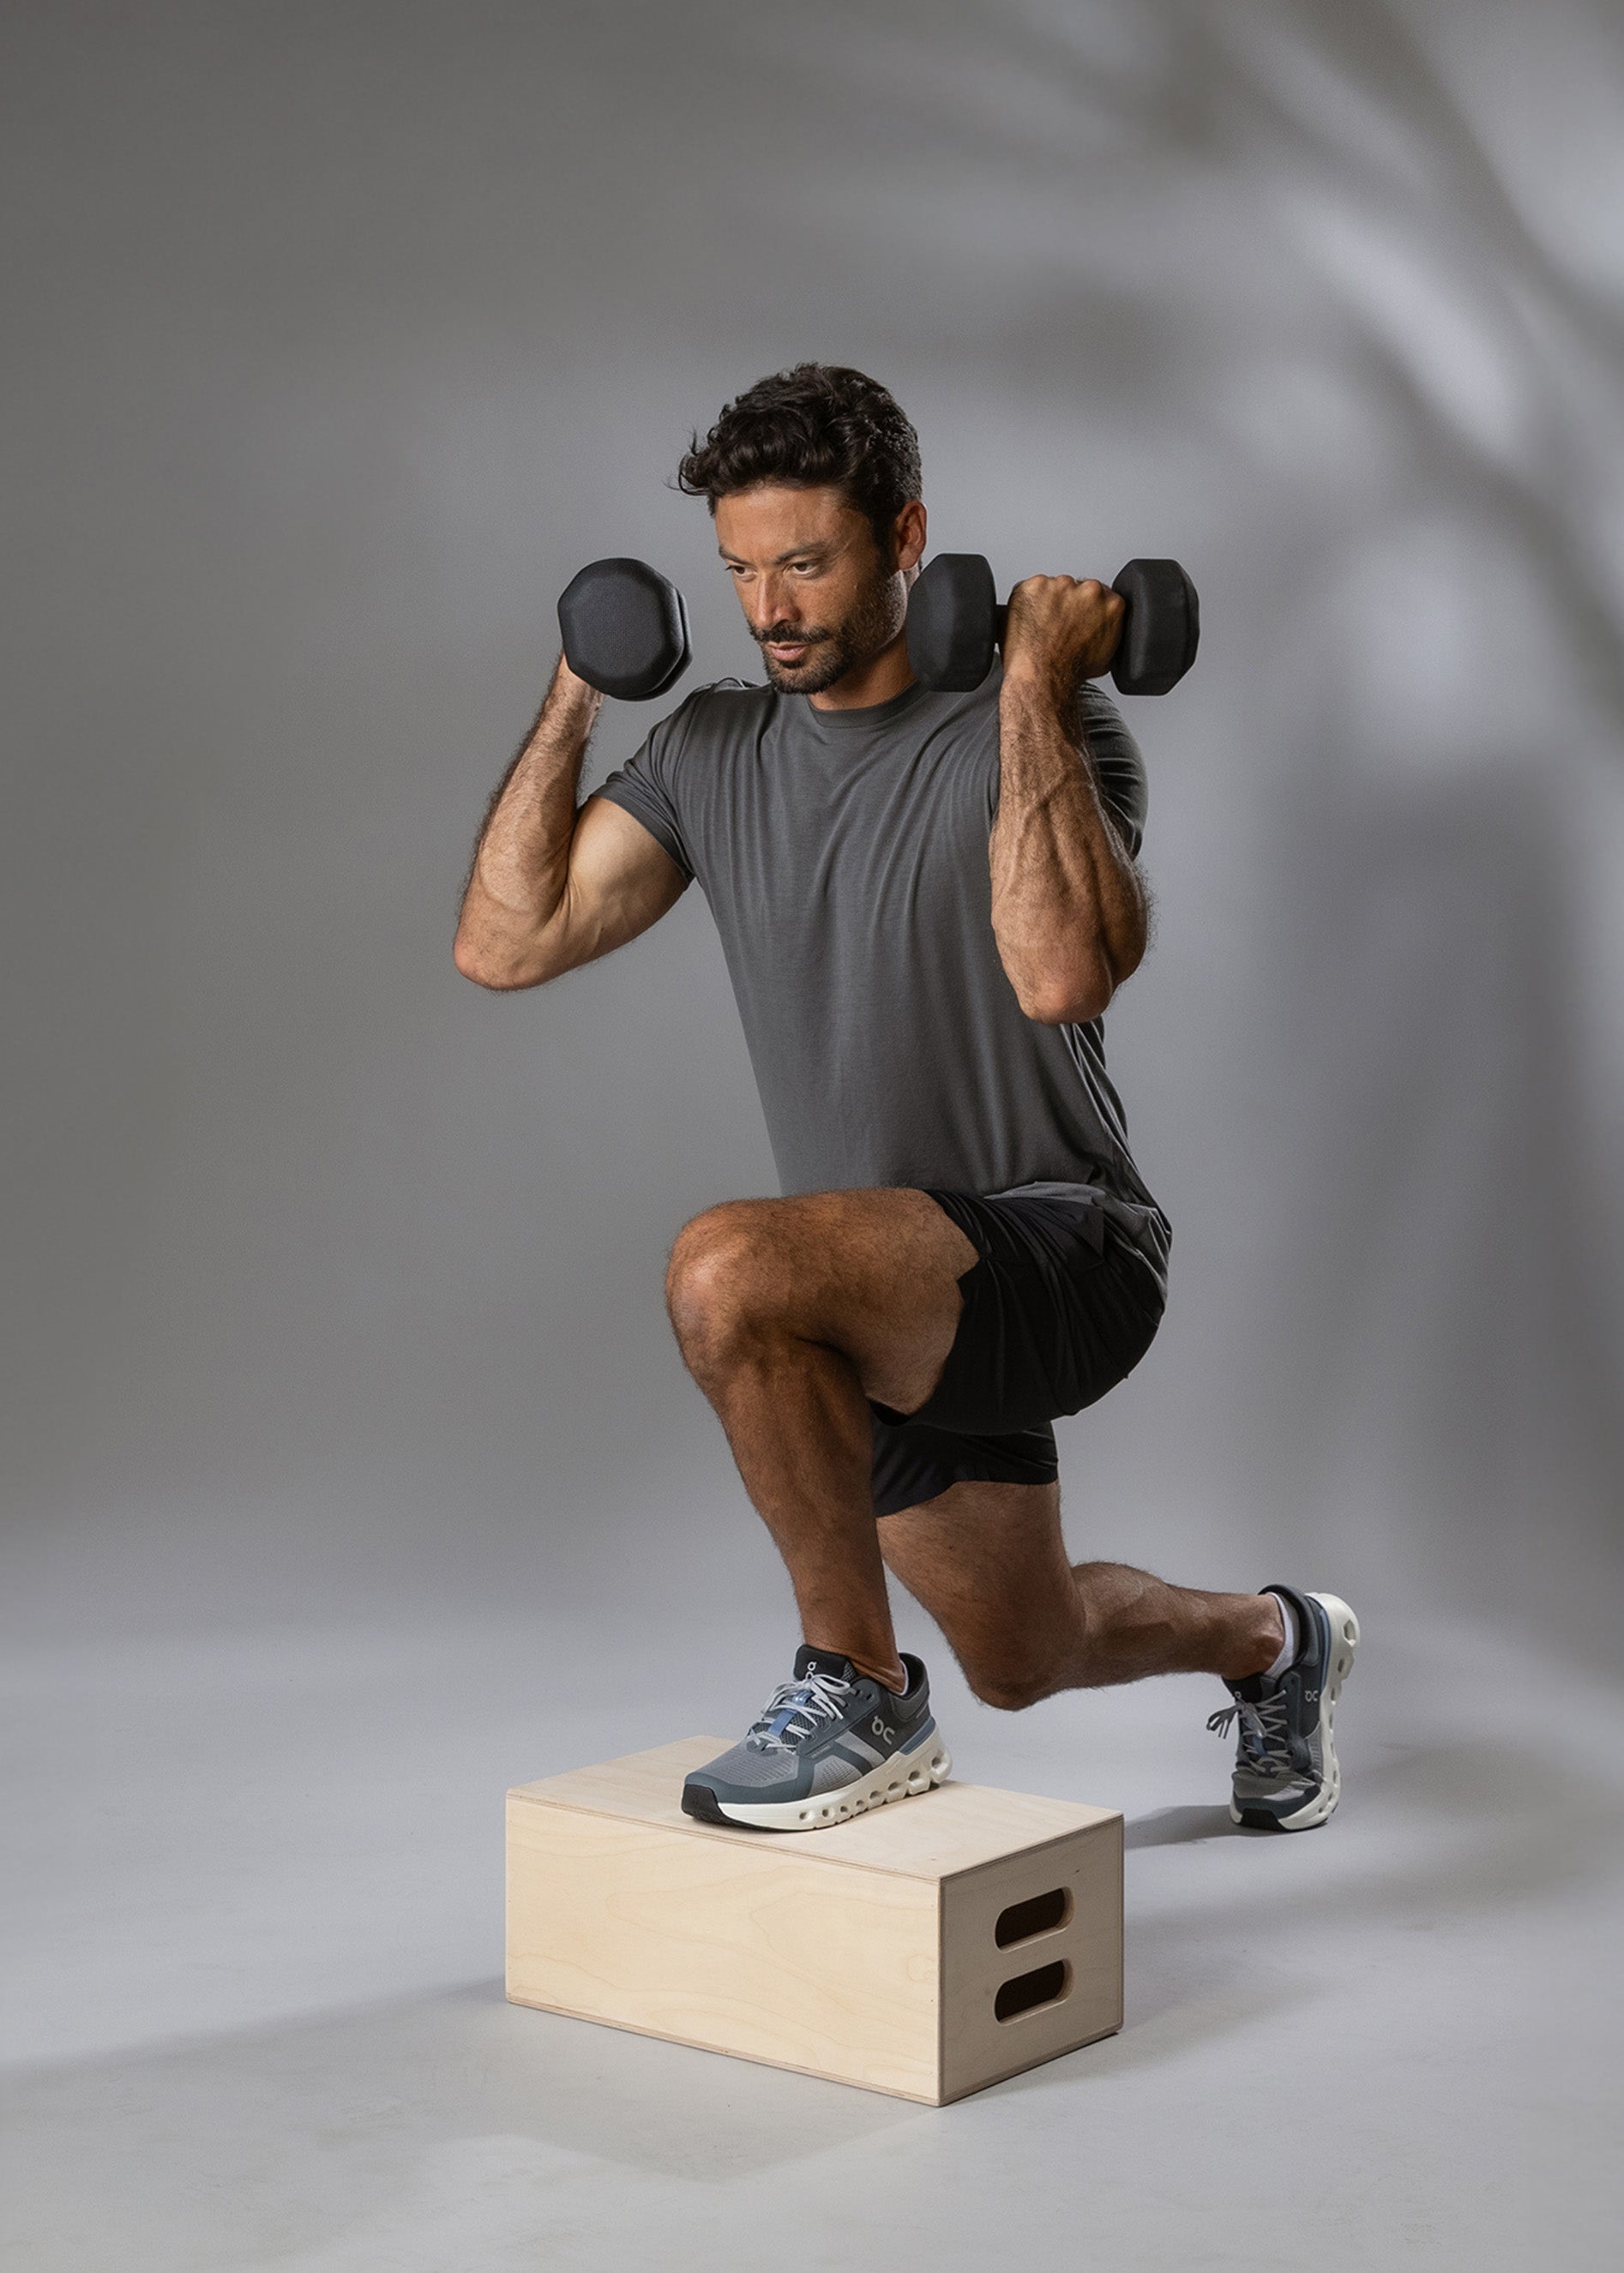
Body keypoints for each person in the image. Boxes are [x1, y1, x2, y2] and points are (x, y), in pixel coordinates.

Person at [454, 364, 1357, 1836]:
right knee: (1026, 1653)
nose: (772, 609)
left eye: (805, 562)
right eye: (741, 572)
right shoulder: (710, 752)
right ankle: (1278, 1642)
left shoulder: (1045, 735)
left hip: (1065, 1245)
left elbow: (1063, 974)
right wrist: (576, 683)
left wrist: (1028, 688)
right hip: (881, 1302)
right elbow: (507, 942)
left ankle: (856, 1683)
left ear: (905, 541)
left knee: (726, 1268)